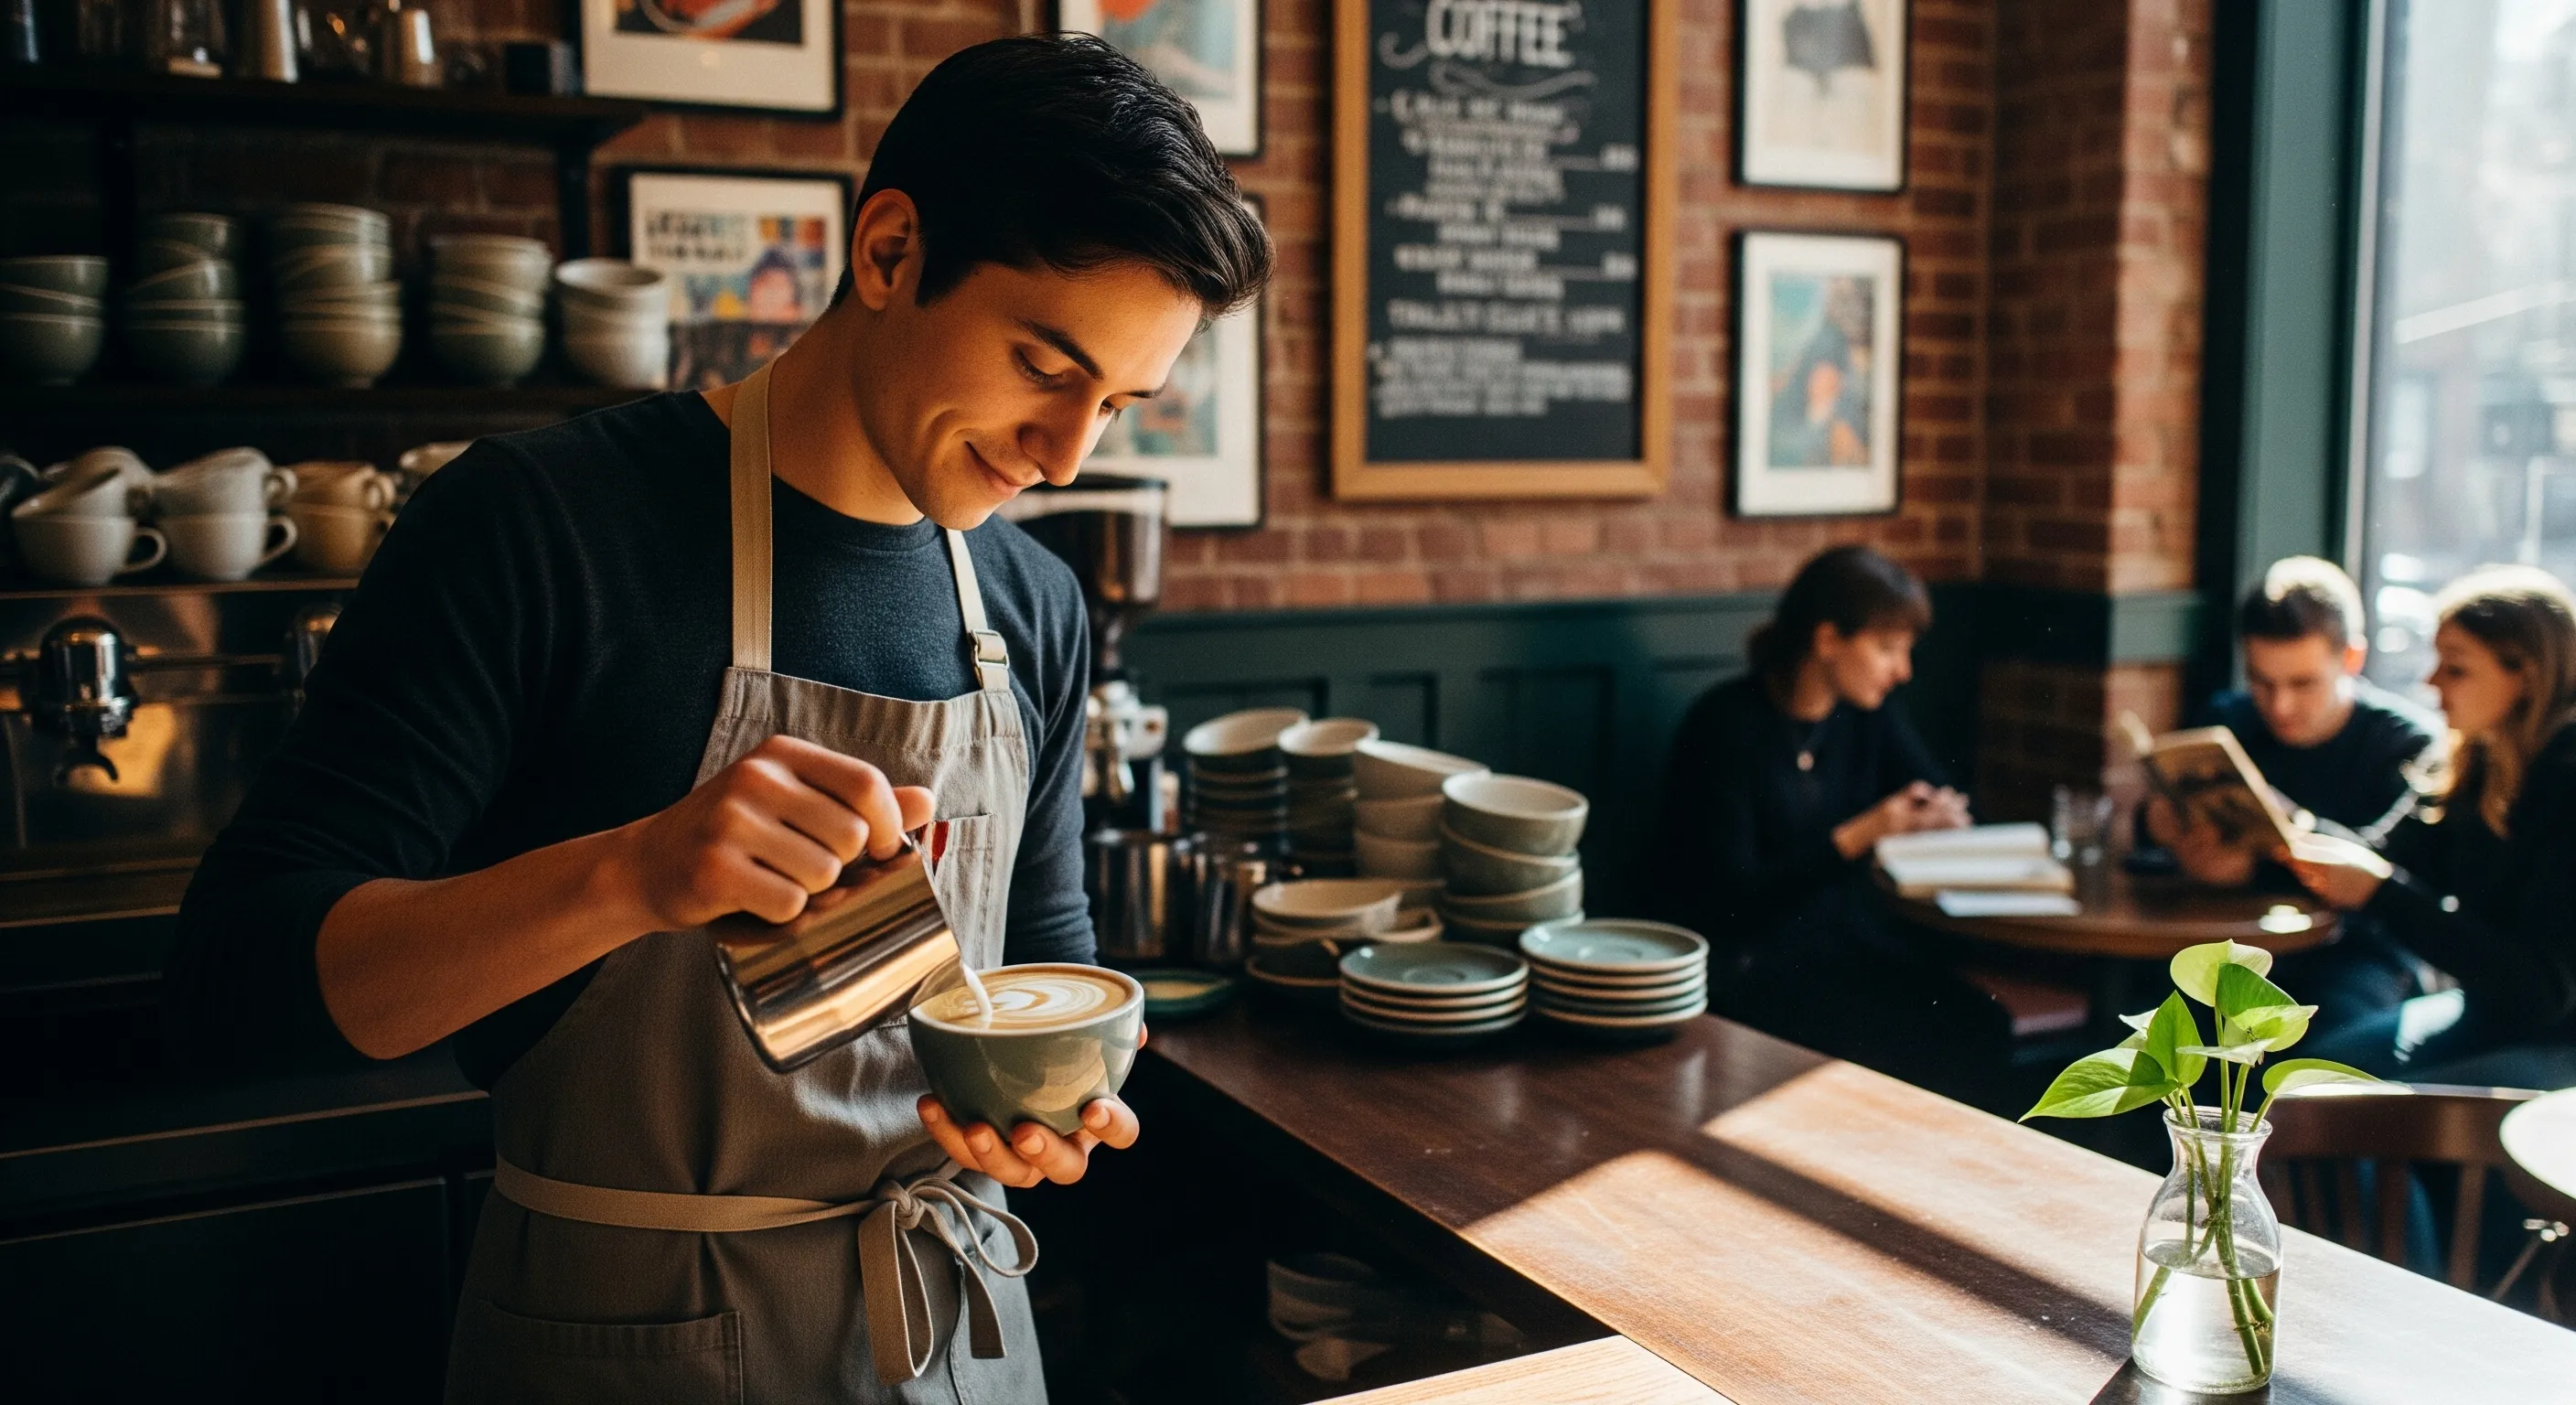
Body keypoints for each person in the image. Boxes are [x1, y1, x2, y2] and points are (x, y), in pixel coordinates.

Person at [166, 36, 1271, 1401]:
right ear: (888, 252)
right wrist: (632, 873)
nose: (1066, 455)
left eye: (1118, 405)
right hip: (626, 1346)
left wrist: (1044, 1124)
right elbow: (239, 988)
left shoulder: (1032, 606)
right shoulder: (538, 529)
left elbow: (1044, 973)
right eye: (1045, 364)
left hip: (955, 1341)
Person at [1655, 545, 2007, 1102]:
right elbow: (1729, 898)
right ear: (1827, 641)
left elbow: (1943, 795)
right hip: (1749, 966)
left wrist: (1946, 817)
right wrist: (1861, 835)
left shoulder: (1866, 717)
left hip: (1840, 948)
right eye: (1888, 648)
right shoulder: (1725, 726)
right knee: (1915, 1036)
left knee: (1977, 1022)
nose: (1904, 670)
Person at [2291, 566, 2576, 1084]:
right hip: (2486, 1017)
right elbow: (2380, 853)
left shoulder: (2567, 786)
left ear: (2527, 676)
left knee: (2341, 1111)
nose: (2430, 681)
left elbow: (2540, 994)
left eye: (2456, 667)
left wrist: (2380, 894)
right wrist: (2278, 826)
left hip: (2558, 1043)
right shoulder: (2471, 766)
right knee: (2301, 1084)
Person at [2141, 557, 2440, 1031]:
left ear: (2352, 659)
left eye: (2303, 683)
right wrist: (2161, 824)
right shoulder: (2228, 721)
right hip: (2231, 944)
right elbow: (2146, 830)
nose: (2280, 706)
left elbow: (2394, 876)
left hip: (2355, 955)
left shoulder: (2408, 746)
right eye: (2261, 682)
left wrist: (2254, 865)